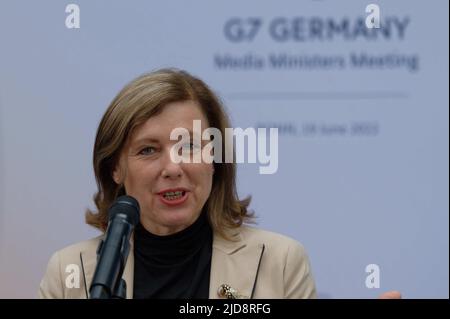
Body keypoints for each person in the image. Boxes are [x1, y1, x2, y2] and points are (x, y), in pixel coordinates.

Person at [38, 69, 398, 299]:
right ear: (115, 168)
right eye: (148, 150)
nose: (172, 167)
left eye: (190, 146)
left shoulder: (279, 262)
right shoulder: (71, 273)